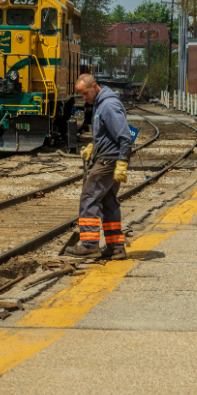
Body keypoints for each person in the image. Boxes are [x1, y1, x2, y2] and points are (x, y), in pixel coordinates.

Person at [68, 73, 132, 261]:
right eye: (81, 95)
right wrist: (93, 147)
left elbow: (125, 137)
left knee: (88, 198)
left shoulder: (108, 106)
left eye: (85, 93)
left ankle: (89, 245)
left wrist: (122, 162)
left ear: (94, 86)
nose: (84, 98)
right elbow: (107, 135)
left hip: (108, 161)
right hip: (107, 158)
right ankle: (116, 247)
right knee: (108, 203)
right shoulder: (100, 104)